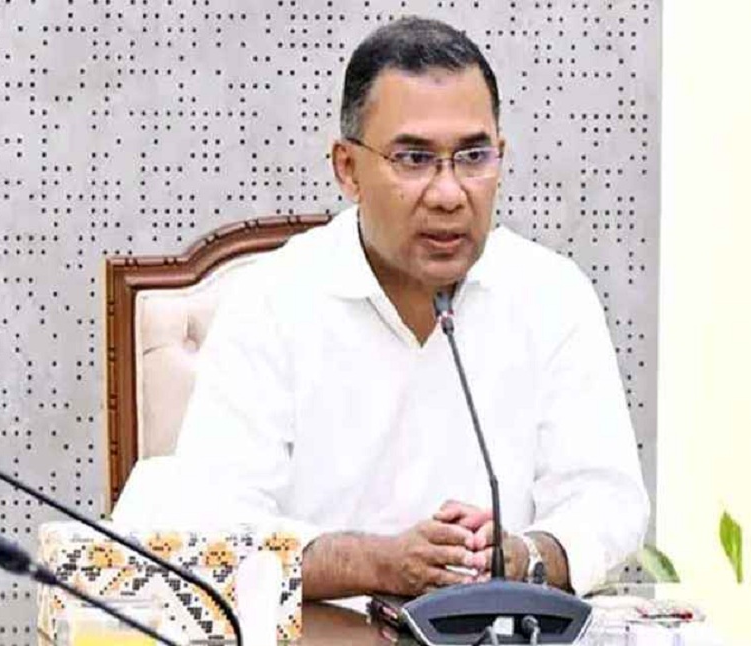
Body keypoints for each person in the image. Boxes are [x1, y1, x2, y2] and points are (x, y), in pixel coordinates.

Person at [124, 15, 649, 600]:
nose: (449, 193)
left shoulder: (552, 294)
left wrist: (524, 556)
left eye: (473, 156)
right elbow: (213, 530)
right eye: (414, 159)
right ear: (347, 168)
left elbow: (608, 503)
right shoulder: (272, 299)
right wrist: (376, 564)